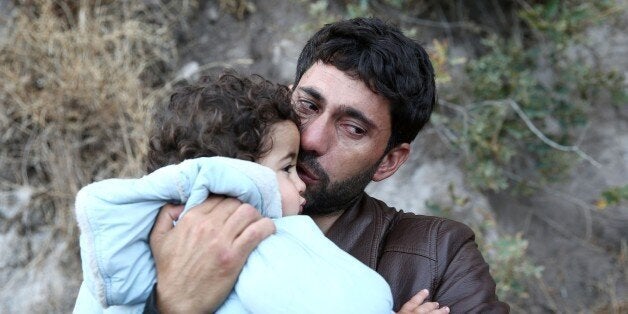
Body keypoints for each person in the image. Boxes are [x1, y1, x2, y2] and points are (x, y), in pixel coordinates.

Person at [145, 17, 510, 313]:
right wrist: (170, 304)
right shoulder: (176, 215)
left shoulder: (438, 256)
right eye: (308, 106)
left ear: (388, 161)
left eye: (352, 128)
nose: (313, 139)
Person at [72, 72, 446, 313]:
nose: (300, 177)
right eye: (286, 168)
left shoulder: (123, 239)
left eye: (353, 127)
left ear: (391, 159)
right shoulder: (262, 239)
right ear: (234, 175)